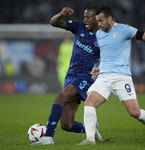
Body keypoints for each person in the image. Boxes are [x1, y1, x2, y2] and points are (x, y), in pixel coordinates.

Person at [78, 6, 145, 145]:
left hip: (121, 77)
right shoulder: (99, 35)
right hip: (104, 77)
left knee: (134, 112)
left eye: (100, 21)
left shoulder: (125, 30)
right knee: (89, 102)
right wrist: (98, 68)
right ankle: (90, 139)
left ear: (109, 18)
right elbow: (105, 55)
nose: (98, 24)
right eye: (97, 21)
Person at [32, 6, 102, 145]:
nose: (85, 19)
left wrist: (100, 68)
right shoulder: (79, 27)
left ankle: (48, 137)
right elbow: (54, 23)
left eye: (88, 17)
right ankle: (92, 128)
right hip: (71, 75)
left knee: (60, 97)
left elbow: (109, 57)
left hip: (85, 77)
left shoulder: (103, 37)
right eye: (84, 16)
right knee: (66, 125)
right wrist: (61, 14)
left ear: (97, 19)